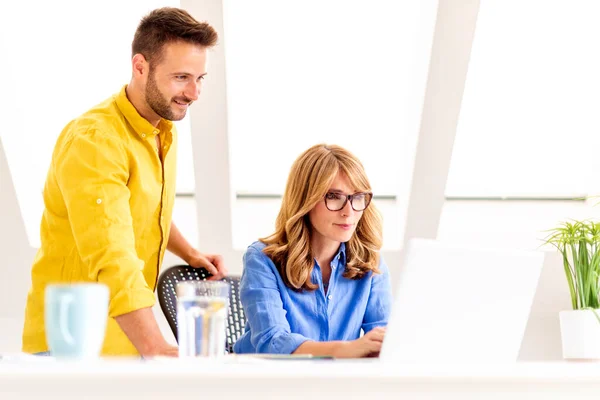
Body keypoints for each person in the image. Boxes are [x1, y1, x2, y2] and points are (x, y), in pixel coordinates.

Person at [22, 7, 228, 357]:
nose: (194, 93)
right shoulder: (95, 141)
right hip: (71, 348)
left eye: (200, 78)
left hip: (122, 346)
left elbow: (144, 207)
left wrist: (189, 251)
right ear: (140, 66)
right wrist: (155, 346)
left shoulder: (161, 130)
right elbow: (111, 252)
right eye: (181, 77)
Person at [233, 144, 392, 358]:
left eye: (357, 197)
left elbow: (385, 340)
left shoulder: (370, 263)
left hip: (335, 387)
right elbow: (271, 342)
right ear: (305, 199)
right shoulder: (262, 259)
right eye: (334, 196)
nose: (349, 211)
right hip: (266, 385)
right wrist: (344, 350)